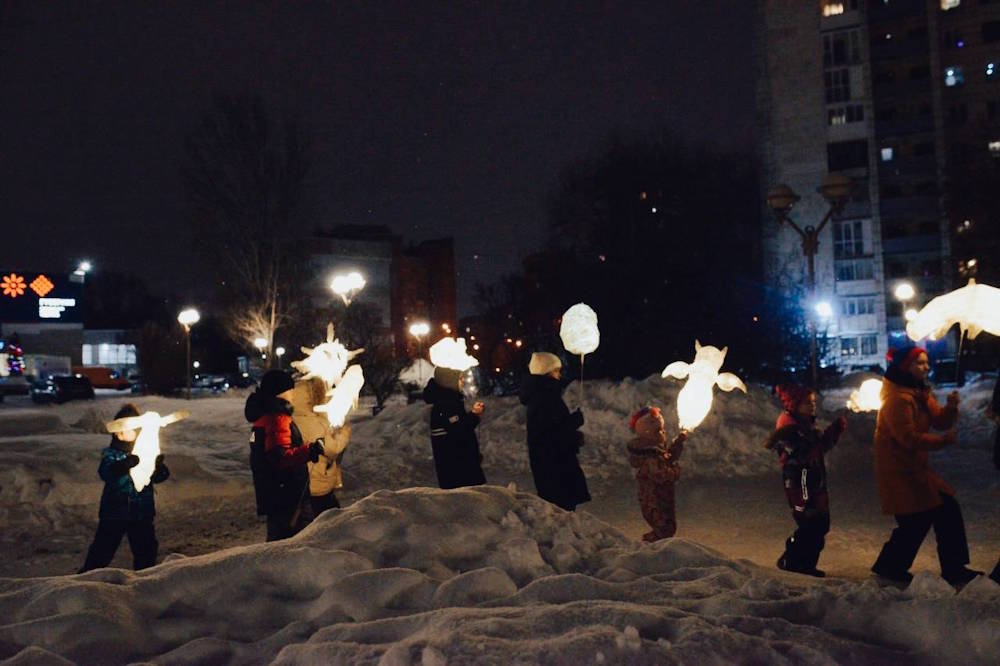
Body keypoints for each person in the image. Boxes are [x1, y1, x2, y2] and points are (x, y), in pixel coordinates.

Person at [870, 345, 982, 587]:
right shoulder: (897, 399)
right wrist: (942, 442)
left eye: (926, 362)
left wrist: (951, 408)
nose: (926, 367)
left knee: (940, 511)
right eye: (919, 363)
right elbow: (907, 438)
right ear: (905, 367)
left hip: (915, 470)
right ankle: (892, 567)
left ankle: (949, 567)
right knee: (917, 519)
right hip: (899, 471)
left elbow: (939, 421)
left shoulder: (918, 393)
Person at [763, 384, 845, 577]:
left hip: (814, 481)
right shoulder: (789, 429)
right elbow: (799, 454)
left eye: (813, 402)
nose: (812, 406)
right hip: (800, 484)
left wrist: (833, 432)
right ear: (794, 405)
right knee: (810, 522)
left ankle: (803, 562)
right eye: (807, 403)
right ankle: (793, 560)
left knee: (820, 524)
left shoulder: (806, 426)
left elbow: (818, 448)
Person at [79, 404, 170, 572]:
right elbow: (106, 472)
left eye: (128, 428)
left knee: (146, 551)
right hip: (114, 512)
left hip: (141, 513)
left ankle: (145, 581)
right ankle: (85, 579)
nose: (122, 432)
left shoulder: (145, 450)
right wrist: (122, 466)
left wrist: (159, 469)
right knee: (102, 550)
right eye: (119, 428)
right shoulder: (111, 453)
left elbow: (156, 478)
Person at [246, 369, 324, 541]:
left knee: (279, 543)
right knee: (299, 544)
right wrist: (309, 451)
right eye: (290, 389)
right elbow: (279, 457)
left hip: (277, 495)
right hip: (287, 495)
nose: (293, 394)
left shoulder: (266, 415)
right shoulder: (277, 418)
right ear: (280, 392)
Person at [519, 352, 590, 511]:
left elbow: (552, 427)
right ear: (547, 372)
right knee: (561, 505)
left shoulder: (541, 393)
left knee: (559, 503)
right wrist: (575, 421)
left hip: (549, 460)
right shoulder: (546, 396)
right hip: (554, 461)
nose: (559, 374)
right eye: (556, 370)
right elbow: (553, 430)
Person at [290, 377, 350, 516]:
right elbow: (332, 449)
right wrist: (344, 434)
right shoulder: (314, 423)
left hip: (304, 482)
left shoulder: (294, 420)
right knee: (328, 519)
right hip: (319, 482)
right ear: (310, 399)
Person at [422, 366, 486, 489]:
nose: (462, 381)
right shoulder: (446, 403)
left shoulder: (449, 400)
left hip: (458, 467)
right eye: (459, 378)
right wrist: (473, 415)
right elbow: (459, 430)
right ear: (448, 381)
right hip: (458, 470)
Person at [627, 406, 685, 542]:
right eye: (659, 431)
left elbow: (668, 457)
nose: (663, 433)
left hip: (661, 497)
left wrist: (679, 441)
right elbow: (661, 475)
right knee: (664, 528)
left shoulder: (655, 450)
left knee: (668, 526)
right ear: (649, 434)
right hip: (654, 500)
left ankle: (655, 547)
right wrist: (676, 471)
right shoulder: (650, 458)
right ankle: (652, 549)